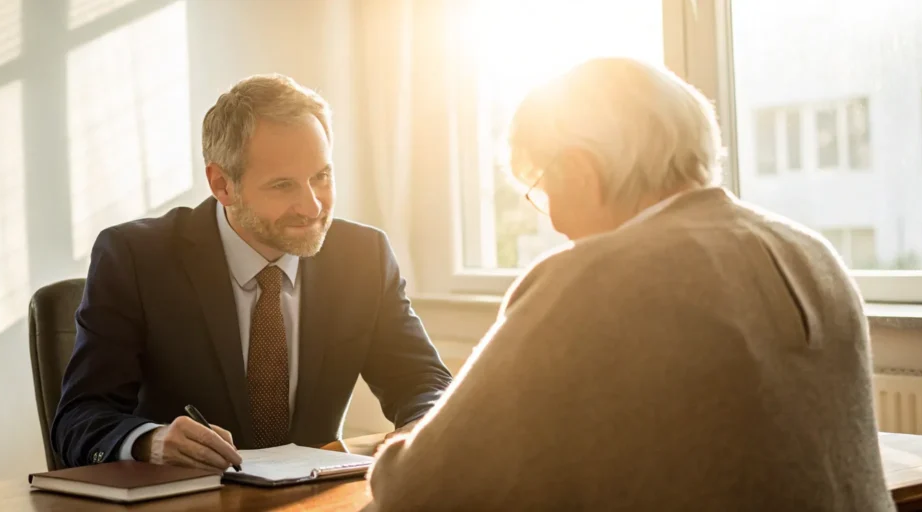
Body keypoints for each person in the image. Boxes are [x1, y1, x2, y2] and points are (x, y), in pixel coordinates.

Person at [365, 58, 894, 511]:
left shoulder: (596, 276)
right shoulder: (813, 254)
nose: (554, 223)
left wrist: (403, 449)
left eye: (542, 190)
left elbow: (418, 491)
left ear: (579, 170)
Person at [52, 74, 453, 471]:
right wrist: (147, 441)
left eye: (321, 177)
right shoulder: (135, 259)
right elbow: (79, 418)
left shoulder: (363, 256)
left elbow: (423, 382)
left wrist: (423, 425)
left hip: (312, 499)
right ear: (222, 184)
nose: (312, 207)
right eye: (283, 186)